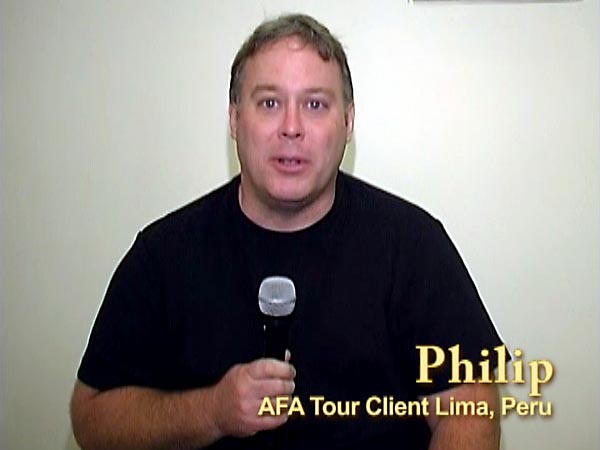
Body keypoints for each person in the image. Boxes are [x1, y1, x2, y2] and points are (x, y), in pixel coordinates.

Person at [70, 13, 504, 450]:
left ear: (348, 122)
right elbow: (92, 419)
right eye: (269, 103)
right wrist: (212, 411)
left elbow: (471, 409)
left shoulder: (413, 247)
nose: (291, 127)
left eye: (315, 104)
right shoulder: (163, 256)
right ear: (234, 119)